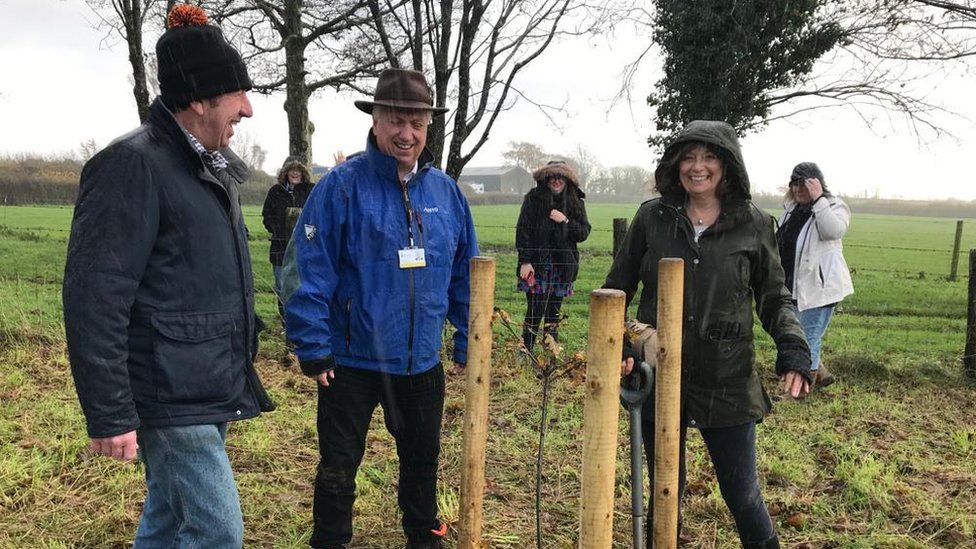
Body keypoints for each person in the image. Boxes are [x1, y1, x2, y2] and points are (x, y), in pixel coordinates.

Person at [62, 5, 274, 548]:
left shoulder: (210, 165)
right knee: (215, 532)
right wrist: (109, 412)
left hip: (204, 380)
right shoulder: (131, 166)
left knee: (168, 518)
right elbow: (95, 295)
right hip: (169, 391)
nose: (248, 109)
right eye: (238, 95)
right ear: (199, 99)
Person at [282, 68, 479, 549]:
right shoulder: (342, 186)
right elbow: (306, 268)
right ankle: (330, 540)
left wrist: (466, 335)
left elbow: (465, 271)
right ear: (375, 121)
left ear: (428, 127)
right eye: (395, 119)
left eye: (416, 122)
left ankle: (422, 536)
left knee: (422, 459)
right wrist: (314, 345)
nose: (406, 133)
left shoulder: (446, 193)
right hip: (350, 362)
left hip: (420, 361)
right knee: (338, 464)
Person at [605, 120, 812, 549]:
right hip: (659, 374)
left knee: (742, 494)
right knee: (666, 491)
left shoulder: (754, 223)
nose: (697, 167)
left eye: (709, 157)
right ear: (676, 164)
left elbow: (774, 296)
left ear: (727, 164)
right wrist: (623, 343)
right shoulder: (653, 218)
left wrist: (793, 348)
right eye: (688, 157)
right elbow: (616, 291)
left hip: (728, 377)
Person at [777, 162, 853, 389]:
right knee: (795, 334)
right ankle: (820, 373)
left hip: (820, 287)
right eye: (795, 183)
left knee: (807, 338)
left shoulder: (833, 206)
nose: (799, 188)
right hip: (793, 285)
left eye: (805, 183)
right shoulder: (790, 211)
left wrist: (819, 200)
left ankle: (801, 387)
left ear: (817, 184)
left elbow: (833, 231)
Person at [515, 160, 591, 352]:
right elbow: (523, 231)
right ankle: (526, 352)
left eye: (560, 177)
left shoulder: (576, 202)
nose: (556, 181)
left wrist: (564, 220)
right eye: (552, 177)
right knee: (534, 312)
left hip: (563, 265)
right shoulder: (533, 199)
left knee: (553, 314)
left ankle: (550, 353)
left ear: (566, 180)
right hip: (537, 265)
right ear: (546, 179)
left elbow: (582, 233)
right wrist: (525, 261)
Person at [263, 156, 314, 318]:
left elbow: (319, 214)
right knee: (282, 287)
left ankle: (304, 323)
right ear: (285, 172)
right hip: (280, 249)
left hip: (306, 249)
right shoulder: (275, 191)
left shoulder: (311, 190)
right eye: (291, 169)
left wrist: (310, 234)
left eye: (298, 169)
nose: (295, 173)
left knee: (305, 287)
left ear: (303, 172)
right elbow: (267, 216)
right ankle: (287, 324)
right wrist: (278, 230)